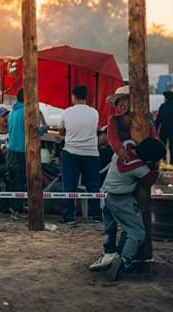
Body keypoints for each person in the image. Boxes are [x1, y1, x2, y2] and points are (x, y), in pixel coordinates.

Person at [89, 137, 164, 281]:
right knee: (137, 231)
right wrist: (155, 167)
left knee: (112, 229)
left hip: (107, 195)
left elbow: (126, 140)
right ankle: (125, 260)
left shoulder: (123, 150)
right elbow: (149, 180)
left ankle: (110, 253)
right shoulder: (139, 168)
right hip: (121, 199)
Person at [59, 85, 101, 225]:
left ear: (73, 96)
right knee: (93, 185)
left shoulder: (66, 113)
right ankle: (96, 215)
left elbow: (61, 132)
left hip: (71, 152)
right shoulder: (94, 112)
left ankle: (69, 215)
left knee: (69, 185)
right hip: (91, 152)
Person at [7, 89, 27, 214]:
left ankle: (13, 207)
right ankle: (18, 208)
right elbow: (34, 130)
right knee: (20, 180)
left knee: (13, 180)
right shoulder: (26, 112)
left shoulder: (13, 112)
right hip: (21, 152)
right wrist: (44, 129)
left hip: (11, 151)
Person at [154, 90, 173, 165]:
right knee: (172, 147)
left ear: (166, 98)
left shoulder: (163, 106)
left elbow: (158, 119)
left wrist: (155, 129)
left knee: (163, 147)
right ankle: (172, 163)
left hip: (164, 129)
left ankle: (164, 162)